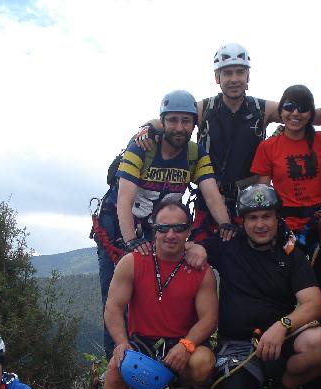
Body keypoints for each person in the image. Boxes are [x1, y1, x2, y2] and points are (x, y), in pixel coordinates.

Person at [135, 43, 321, 238]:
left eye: (239, 72)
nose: (234, 79)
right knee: (204, 257)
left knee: (246, 261)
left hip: (248, 200)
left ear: (248, 76)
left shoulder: (261, 109)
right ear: (217, 77)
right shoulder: (204, 109)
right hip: (209, 198)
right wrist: (148, 127)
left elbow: (305, 114)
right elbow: (170, 119)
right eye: (227, 73)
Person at [95, 89, 232, 360]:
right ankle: (114, 364)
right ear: (163, 121)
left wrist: (226, 224)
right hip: (117, 227)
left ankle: (158, 358)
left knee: (157, 291)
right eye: (173, 120)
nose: (179, 127)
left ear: (195, 124)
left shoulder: (195, 153)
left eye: (186, 121)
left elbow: (211, 192)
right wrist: (131, 242)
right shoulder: (142, 147)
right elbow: (124, 199)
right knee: (116, 296)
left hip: (156, 227)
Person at [187, 184, 321, 389]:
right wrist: (198, 248)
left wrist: (282, 325)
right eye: (252, 217)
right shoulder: (227, 246)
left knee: (320, 343)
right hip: (238, 347)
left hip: (282, 341)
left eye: (266, 216)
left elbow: (315, 303)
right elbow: (194, 247)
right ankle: (241, 386)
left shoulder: (291, 256)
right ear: (242, 221)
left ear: (277, 218)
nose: (260, 224)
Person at [104, 200, 218, 389]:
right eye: (163, 228)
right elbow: (113, 308)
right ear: (153, 229)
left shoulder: (201, 270)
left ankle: (180, 387)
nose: (171, 234)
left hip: (182, 339)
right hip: (143, 340)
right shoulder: (132, 262)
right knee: (114, 367)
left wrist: (187, 345)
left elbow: (209, 318)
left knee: (203, 362)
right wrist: (121, 343)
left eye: (178, 228)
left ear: (188, 231)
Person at [251, 84, 321, 310]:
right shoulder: (268, 147)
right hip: (286, 228)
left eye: (303, 108)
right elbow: (262, 193)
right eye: (289, 107)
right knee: (286, 285)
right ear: (281, 110)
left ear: (311, 113)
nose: (295, 113)